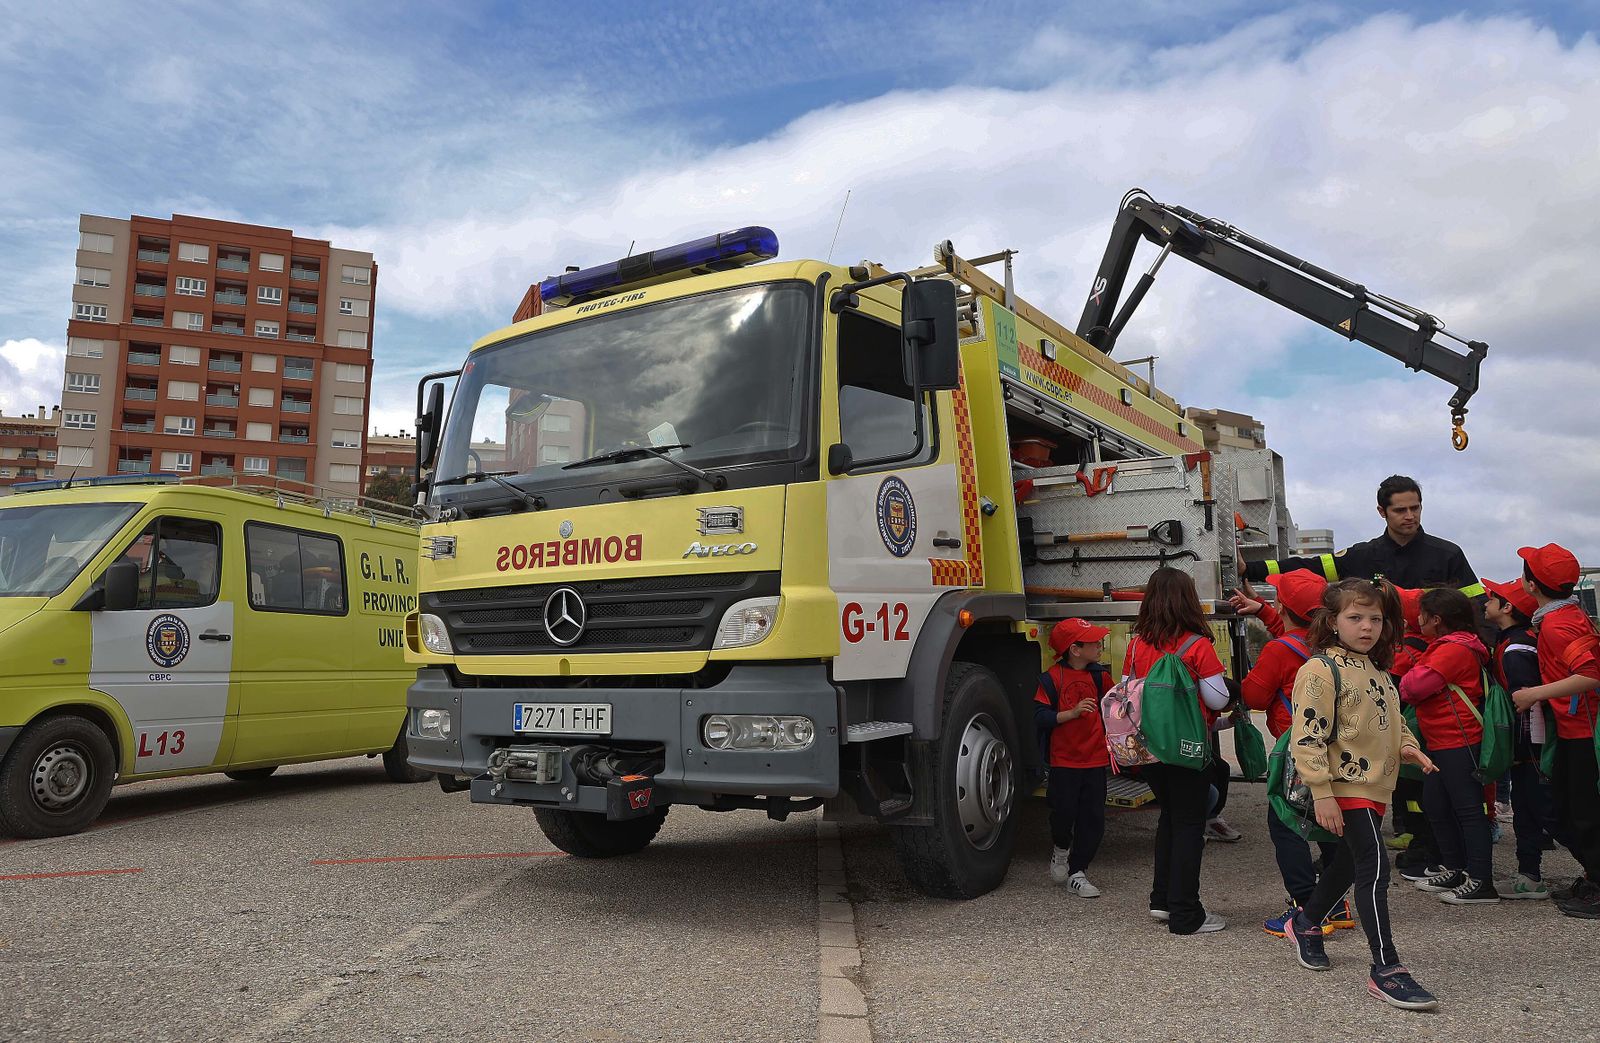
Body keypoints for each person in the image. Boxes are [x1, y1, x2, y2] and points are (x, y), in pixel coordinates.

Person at [1282, 578, 1441, 1011]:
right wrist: (1322, 792)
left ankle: (1307, 921)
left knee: (1353, 863)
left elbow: (1392, 719)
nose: (1367, 626)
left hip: (1376, 786)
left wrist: (1409, 747)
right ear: (1332, 622)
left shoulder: (1377, 670)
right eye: (1355, 617)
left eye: (1375, 618)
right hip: (1342, 785)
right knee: (1374, 867)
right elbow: (1307, 736)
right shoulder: (1319, 669)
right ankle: (1387, 968)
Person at [1231, 569, 1355, 935]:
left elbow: (1254, 697)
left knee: (1287, 825)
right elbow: (1296, 632)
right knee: (1332, 824)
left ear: (1281, 604)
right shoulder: (1340, 644)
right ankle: (1336, 903)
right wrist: (1263, 613)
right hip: (1340, 748)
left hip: (1299, 754)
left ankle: (1307, 907)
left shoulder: (1279, 650)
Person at [1125, 567, 1232, 935]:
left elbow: (1129, 692)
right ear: (1188, 600)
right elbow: (1216, 696)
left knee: (1169, 818)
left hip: (1150, 749)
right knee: (1189, 825)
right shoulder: (1196, 645)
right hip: (1187, 751)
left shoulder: (1137, 644)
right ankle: (1187, 914)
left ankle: (1162, 900)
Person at [1509, 544, 1600, 919]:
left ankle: (1596, 884)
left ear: (1532, 584)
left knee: (1582, 813)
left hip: (1583, 734)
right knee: (1570, 809)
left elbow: (1592, 674)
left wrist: (1533, 694)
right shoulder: (1563, 616)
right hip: (1575, 730)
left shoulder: (1560, 624)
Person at [1399, 588, 1497, 903]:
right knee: (1437, 805)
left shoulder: (1452, 649)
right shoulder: (1453, 645)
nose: (1416, 619)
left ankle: (1481, 880)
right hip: (1443, 739)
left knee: (1468, 811)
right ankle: (1455, 868)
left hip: (1458, 739)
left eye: (1422, 614)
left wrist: (1408, 677)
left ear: (1436, 619)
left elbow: (1413, 686)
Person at [1242, 475, 1483, 598]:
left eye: (1415, 508)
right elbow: (1305, 568)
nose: (1410, 516)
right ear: (1382, 512)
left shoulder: (1448, 555)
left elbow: (1479, 607)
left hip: (1434, 667)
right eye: (1400, 510)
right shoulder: (1363, 556)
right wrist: (1248, 570)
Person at [1483, 576, 1556, 899]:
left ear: (1507, 607)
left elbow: (1529, 706)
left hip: (1532, 749)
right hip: (1532, 749)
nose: (1485, 602)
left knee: (1544, 812)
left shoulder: (1515, 650)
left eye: (1491, 598)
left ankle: (1538, 875)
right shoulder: (1517, 639)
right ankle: (1529, 876)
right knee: (1529, 810)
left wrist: (1523, 751)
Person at [1034, 618, 1114, 898]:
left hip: (1095, 759)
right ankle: (1060, 849)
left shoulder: (1100, 676)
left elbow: (1114, 706)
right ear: (1075, 649)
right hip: (1064, 761)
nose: (1099, 644)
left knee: (1093, 819)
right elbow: (1039, 717)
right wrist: (1072, 713)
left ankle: (1078, 871)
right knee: (1062, 813)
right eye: (1093, 641)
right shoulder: (1051, 678)